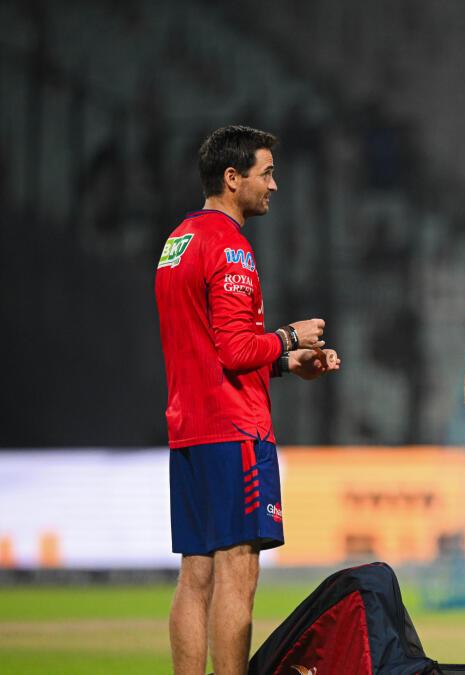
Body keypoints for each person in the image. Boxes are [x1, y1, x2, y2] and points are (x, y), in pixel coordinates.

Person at [155, 125, 341, 675]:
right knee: (239, 570)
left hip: (189, 429)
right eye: (267, 173)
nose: (274, 185)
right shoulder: (230, 246)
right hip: (235, 431)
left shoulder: (177, 241)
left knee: (195, 574)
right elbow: (235, 351)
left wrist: (284, 363)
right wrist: (290, 337)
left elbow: (206, 348)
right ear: (232, 178)